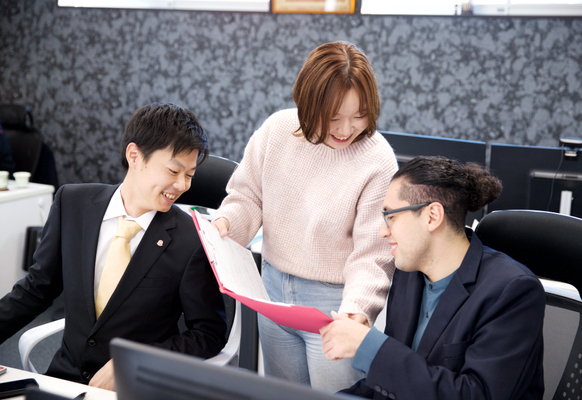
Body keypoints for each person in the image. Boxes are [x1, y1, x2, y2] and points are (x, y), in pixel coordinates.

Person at [0, 103, 227, 390]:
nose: (182, 185)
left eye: (190, 175)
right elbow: (36, 289)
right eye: (173, 170)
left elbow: (208, 334)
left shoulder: (191, 240)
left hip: (137, 384)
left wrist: (132, 361)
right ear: (134, 155)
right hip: (65, 380)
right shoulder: (72, 203)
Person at [212, 41, 397, 391]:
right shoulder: (277, 130)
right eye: (333, 117)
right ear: (307, 104)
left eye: (359, 115)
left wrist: (356, 312)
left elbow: (372, 255)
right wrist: (226, 224)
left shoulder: (378, 161)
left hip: (334, 305)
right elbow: (248, 196)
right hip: (272, 289)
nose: (346, 129)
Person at [320, 156, 545, 400]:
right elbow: (392, 383)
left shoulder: (512, 290)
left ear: (432, 216)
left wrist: (371, 347)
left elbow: (476, 395)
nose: (383, 231)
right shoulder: (409, 273)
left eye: (391, 216)